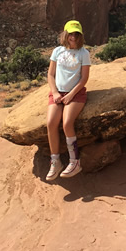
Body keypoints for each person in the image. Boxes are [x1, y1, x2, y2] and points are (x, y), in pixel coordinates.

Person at [45, 20, 91, 180]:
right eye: (70, 33)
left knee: (66, 123)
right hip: (58, 93)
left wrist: (71, 95)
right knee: (51, 123)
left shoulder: (83, 53)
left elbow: (84, 79)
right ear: (65, 34)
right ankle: (55, 161)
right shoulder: (57, 51)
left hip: (75, 94)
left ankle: (74, 161)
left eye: (76, 34)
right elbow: (50, 75)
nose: (73, 37)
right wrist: (55, 92)